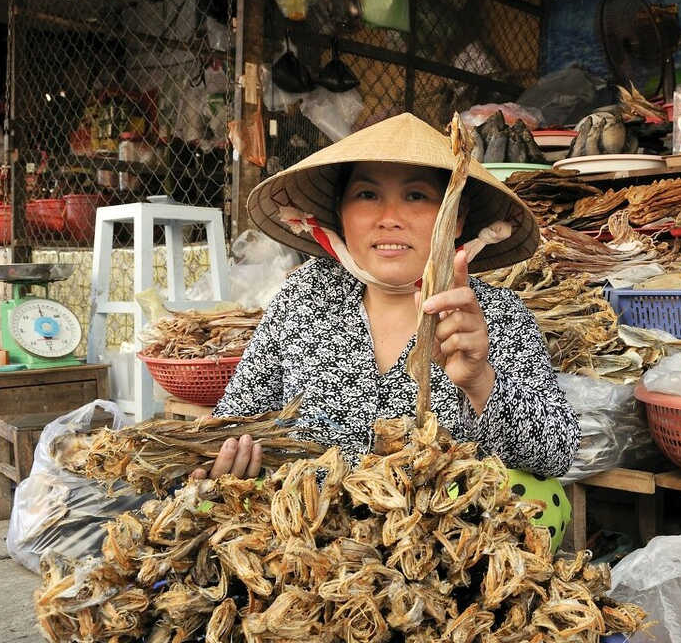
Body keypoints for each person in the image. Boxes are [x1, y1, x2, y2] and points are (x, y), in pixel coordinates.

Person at [196, 112, 580, 483]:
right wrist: (220, 459)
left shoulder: (497, 316)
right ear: (340, 214)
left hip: (443, 542)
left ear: (457, 217)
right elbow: (239, 419)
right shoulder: (303, 297)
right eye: (367, 194)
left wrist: (480, 382)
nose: (389, 217)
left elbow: (557, 452)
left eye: (416, 195)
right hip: (305, 538)